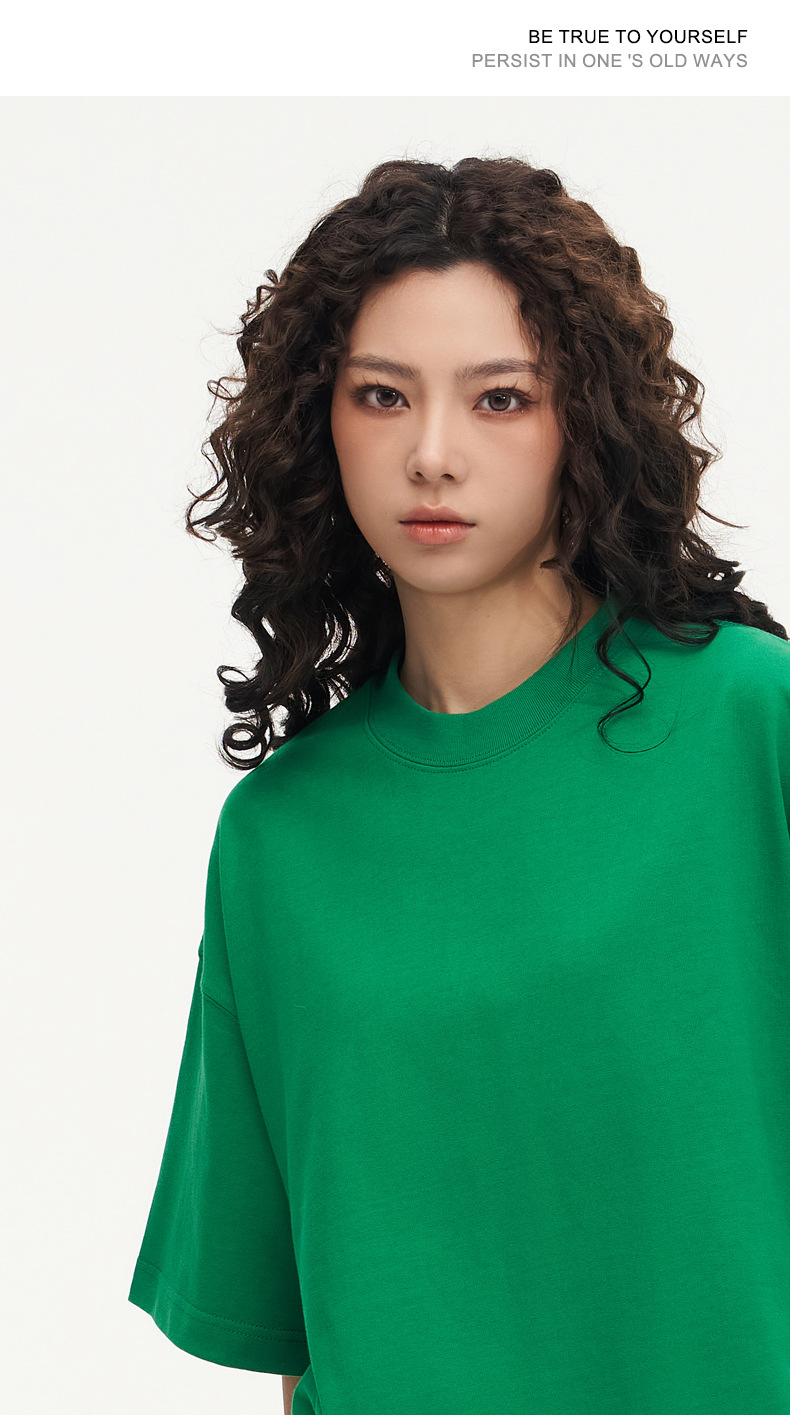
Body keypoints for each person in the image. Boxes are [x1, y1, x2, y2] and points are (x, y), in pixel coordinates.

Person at [128, 155, 790, 1416]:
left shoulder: (753, 724)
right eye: (382, 396)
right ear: (318, 425)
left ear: (585, 421)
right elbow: (302, 1328)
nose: (431, 455)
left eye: (500, 399)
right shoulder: (280, 837)